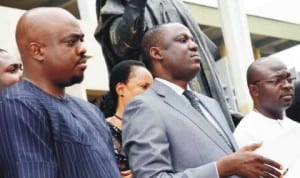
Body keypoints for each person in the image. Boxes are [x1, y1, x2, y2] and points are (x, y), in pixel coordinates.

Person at [122, 23, 283, 178]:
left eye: (193, 40)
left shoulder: (210, 104)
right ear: (157, 53)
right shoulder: (144, 107)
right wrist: (222, 168)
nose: (193, 46)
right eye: (183, 40)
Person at [0, 7, 120, 178]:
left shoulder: (90, 110)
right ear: (37, 51)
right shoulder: (19, 105)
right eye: (71, 42)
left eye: (81, 40)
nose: (82, 49)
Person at [94, 0, 236, 130]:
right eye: (183, 40)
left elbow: (207, 61)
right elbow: (122, 45)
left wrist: (225, 113)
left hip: (203, 108)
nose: (192, 46)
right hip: (162, 115)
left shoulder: (176, 3)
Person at [100, 60, 153, 177]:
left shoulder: (156, 128)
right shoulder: (102, 131)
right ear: (121, 89)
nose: (151, 94)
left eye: (153, 89)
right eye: (144, 87)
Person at [233, 57, 298, 147]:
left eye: (289, 80)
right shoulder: (247, 135)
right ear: (255, 90)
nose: (287, 85)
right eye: (277, 81)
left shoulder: (294, 126)